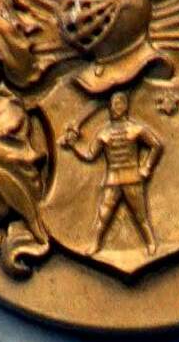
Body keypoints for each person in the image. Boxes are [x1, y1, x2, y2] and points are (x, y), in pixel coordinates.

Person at [62, 91, 163, 254]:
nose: (115, 108)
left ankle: (151, 243)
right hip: (113, 179)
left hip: (132, 178)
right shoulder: (104, 133)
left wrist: (146, 167)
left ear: (125, 106)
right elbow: (90, 155)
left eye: (119, 104)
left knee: (141, 215)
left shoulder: (136, 129)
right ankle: (96, 244)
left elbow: (156, 145)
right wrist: (74, 145)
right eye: (113, 105)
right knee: (104, 214)